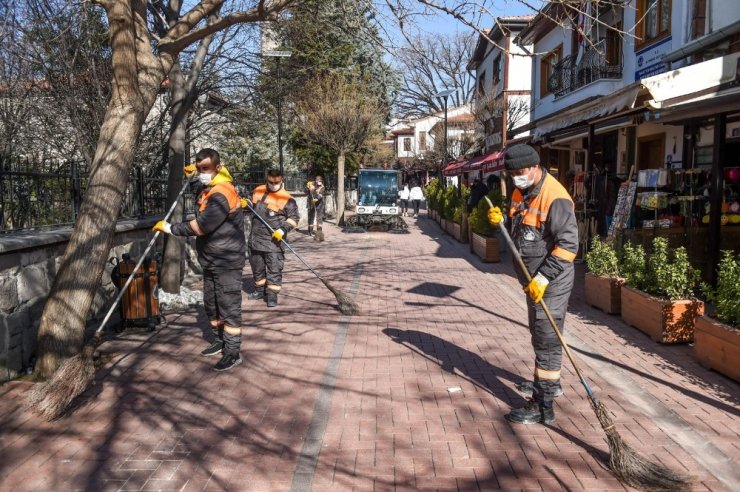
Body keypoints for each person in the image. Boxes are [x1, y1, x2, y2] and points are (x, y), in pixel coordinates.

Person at [487, 144, 578, 425]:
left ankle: (543, 406)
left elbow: (568, 245)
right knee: (539, 334)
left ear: (536, 167)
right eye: (512, 174)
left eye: (521, 172)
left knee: (546, 339)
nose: (517, 177)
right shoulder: (520, 191)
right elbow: (520, 226)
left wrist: (543, 277)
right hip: (532, 279)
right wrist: (501, 220)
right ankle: (549, 383)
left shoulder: (556, 197)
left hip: (551, 280)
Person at [153, 148, 246, 372]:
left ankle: (232, 352)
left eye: (206, 169)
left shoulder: (222, 193)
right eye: (199, 168)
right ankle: (218, 339)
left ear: (217, 168)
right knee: (211, 304)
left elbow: (202, 226)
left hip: (227, 260)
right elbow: (199, 193)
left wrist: (170, 228)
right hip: (211, 259)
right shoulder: (209, 189)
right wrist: (192, 176)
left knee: (228, 306)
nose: (202, 172)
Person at [247, 168, 300, 308]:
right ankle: (259, 290)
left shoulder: (287, 199)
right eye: (271, 182)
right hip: (255, 238)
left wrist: (283, 229)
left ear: (281, 179)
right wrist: (244, 204)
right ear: (267, 178)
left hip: (274, 242)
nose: (273, 184)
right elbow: (250, 205)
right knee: (257, 267)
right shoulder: (258, 191)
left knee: (274, 268)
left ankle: (272, 295)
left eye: (276, 182)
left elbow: (294, 218)